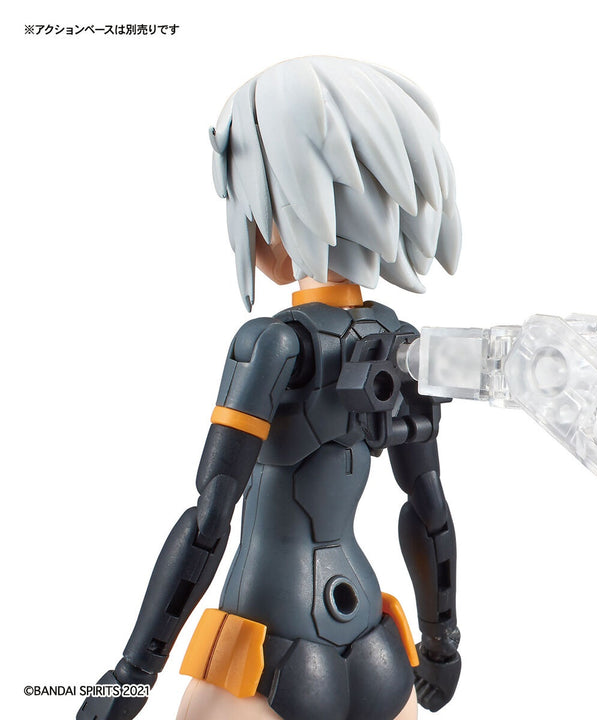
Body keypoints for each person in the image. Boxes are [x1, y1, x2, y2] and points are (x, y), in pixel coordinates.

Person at [78, 56, 463, 720]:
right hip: (375, 645)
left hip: (268, 651)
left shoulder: (274, 345)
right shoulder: (399, 338)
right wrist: (440, 643)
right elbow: (429, 506)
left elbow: (209, 520)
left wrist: (130, 678)